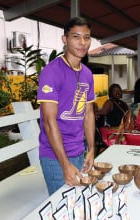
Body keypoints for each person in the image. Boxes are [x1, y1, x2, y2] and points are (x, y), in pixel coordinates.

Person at [37, 17, 95, 195]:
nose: (82, 42)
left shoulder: (87, 73)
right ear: (65, 39)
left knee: (79, 204)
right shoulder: (52, 72)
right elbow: (48, 121)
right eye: (76, 37)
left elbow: (89, 114)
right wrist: (65, 164)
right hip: (55, 156)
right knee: (63, 210)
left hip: (79, 151)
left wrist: (92, 149)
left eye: (86, 37)